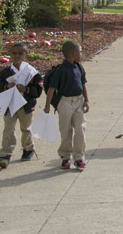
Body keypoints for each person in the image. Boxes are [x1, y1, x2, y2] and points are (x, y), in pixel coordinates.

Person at [0, 43, 43, 168]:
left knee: (26, 128)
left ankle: (28, 149)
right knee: (8, 129)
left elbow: (38, 90)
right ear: (10, 55)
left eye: (20, 53)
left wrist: (26, 89)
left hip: (26, 105)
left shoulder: (32, 72)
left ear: (26, 55)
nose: (17, 56)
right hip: (9, 104)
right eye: (14, 53)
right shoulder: (5, 73)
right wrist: (6, 86)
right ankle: (5, 154)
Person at [44, 41, 89, 171]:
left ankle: (79, 157)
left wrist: (86, 100)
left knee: (80, 128)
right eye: (80, 51)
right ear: (73, 53)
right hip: (65, 102)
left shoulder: (79, 67)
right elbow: (52, 88)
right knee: (65, 131)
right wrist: (48, 105)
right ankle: (65, 156)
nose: (81, 54)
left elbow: (83, 84)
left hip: (79, 101)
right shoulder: (60, 70)